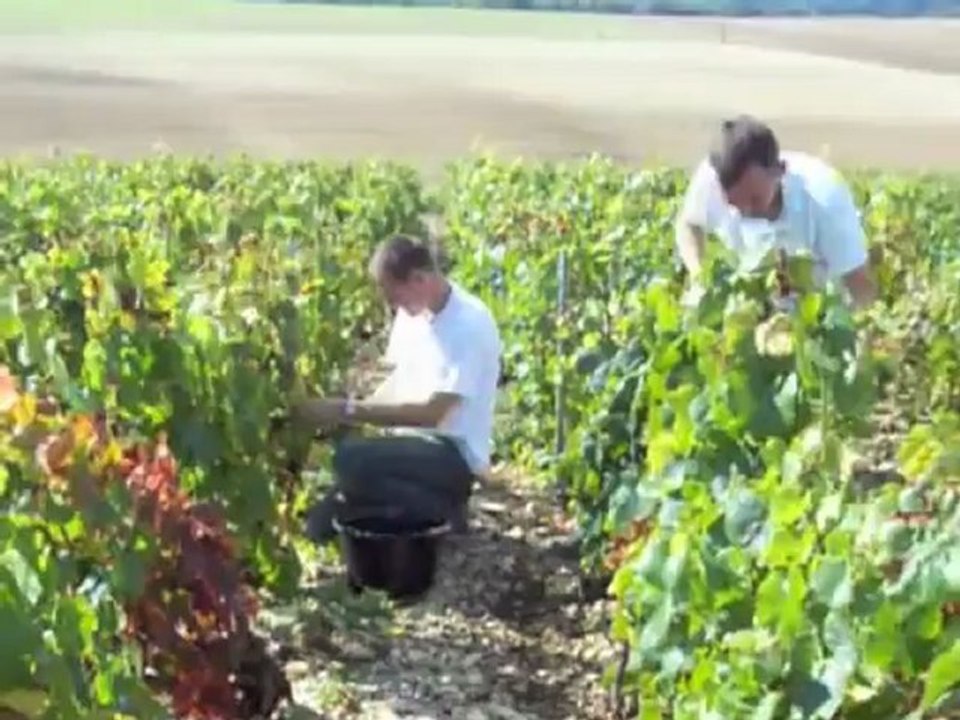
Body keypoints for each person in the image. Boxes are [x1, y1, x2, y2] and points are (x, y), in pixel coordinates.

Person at [294, 233, 502, 543]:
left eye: (395, 296)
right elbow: (393, 382)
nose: (392, 305)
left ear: (420, 279)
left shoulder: (469, 324)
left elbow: (433, 415)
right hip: (411, 448)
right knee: (348, 466)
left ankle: (444, 509)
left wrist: (345, 410)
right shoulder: (411, 317)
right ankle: (320, 533)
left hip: (450, 456)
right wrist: (345, 415)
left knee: (351, 462)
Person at [675, 114, 877, 309]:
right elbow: (689, 224)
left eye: (755, 200)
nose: (746, 212)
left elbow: (859, 285)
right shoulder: (711, 179)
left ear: (780, 171)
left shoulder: (825, 197)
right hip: (748, 300)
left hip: (813, 303)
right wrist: (698, 275)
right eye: (734, 203)